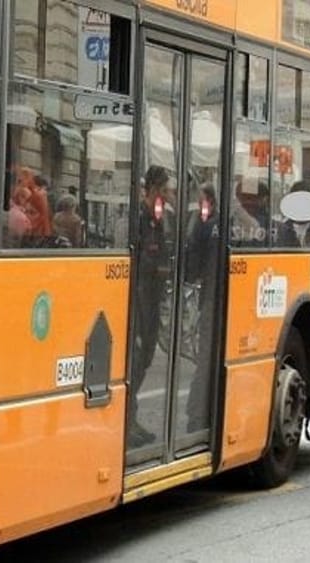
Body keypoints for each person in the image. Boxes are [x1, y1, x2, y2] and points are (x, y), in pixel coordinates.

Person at [128, 165, 171, 447]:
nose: (168, 196)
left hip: (153, 298)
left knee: (145, 359)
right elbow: (141, 262)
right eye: (165, 190)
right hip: (141, 299)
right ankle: (128, 421)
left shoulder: (157, 218)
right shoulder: (141, 217)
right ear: (154, 189)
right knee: (137, 358)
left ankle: (132, 419)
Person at [185, 183, 220, 433]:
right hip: (213, 295)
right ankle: (199, 410)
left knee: (207, 355)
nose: (200, 204)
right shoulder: (211, 221)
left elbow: (194, 254)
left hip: (211, 295)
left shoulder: (205, 222)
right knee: (209, 355)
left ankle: (197, 410)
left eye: (202, 200)